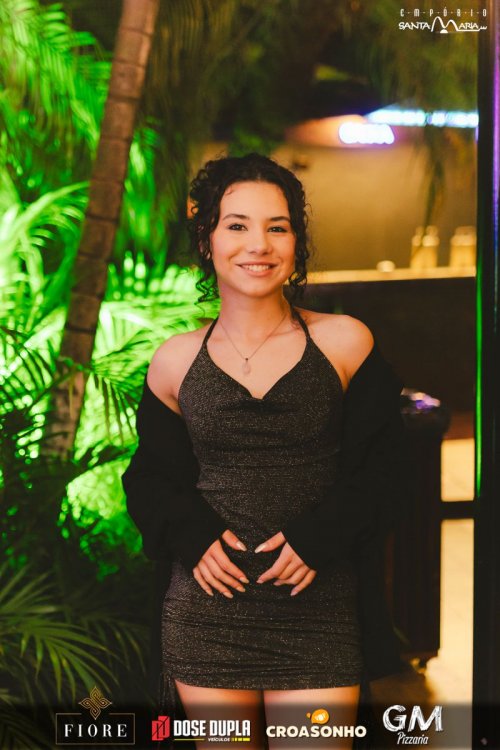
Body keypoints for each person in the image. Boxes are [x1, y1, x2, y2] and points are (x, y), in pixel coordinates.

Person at [122, 153, 413, 750]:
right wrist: (194, 537)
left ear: (296, 243)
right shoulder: (175, 359)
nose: (259, 244)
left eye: (277, 227)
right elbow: (149, 479)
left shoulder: (345, 342)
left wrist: (319, 537)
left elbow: (388, 470)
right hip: (207, 614)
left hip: (319, 607)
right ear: (206, 240)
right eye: (237, 225)